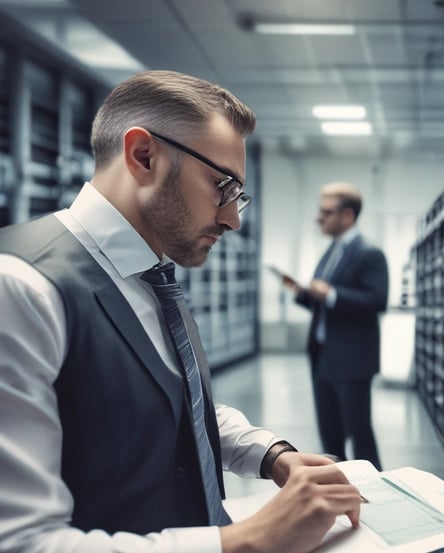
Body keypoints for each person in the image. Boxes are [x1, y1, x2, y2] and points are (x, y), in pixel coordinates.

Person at [0, 70, 362, 553]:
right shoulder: (20, 288)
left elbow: (171, 402)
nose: (233, 218)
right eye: (222, 185)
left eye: (238, 195)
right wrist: (250, 540)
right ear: (143, 156)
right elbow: (23, 543)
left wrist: (271, 455)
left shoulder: (152, 274)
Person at [283, 182, 389, 470]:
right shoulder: (331, 252)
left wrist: (330, 294)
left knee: (360, 436)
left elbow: (378, 300)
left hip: (352, 361)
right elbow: (325, 305)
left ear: (347, 216)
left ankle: (379, 495)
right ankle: (337, 496)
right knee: (330, 438)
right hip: (322, 358)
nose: (319, 217)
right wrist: (303, 294)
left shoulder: (369, 254)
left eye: (326, 212)